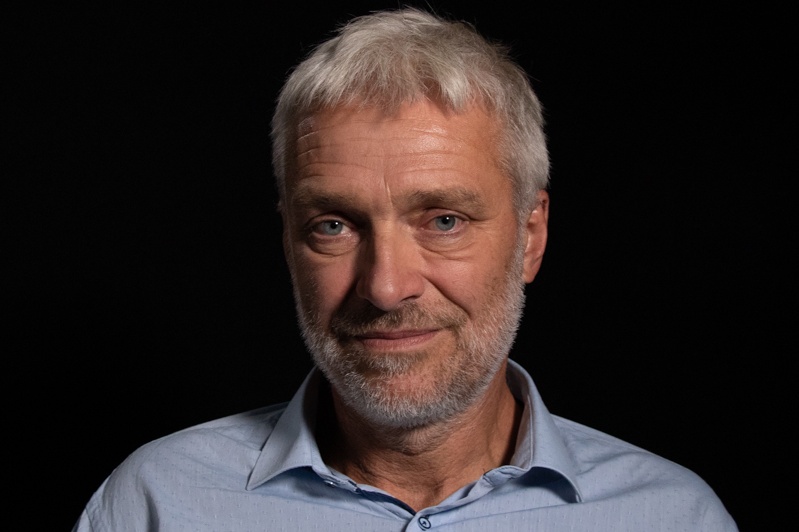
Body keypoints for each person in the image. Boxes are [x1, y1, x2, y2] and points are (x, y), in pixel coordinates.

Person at [73, 8, 737, 531]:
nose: (386, 287)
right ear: (288, 242)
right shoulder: (155, 505)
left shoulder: (673, 518)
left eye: (443, 220)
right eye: (334, 225)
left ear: (529, 237)